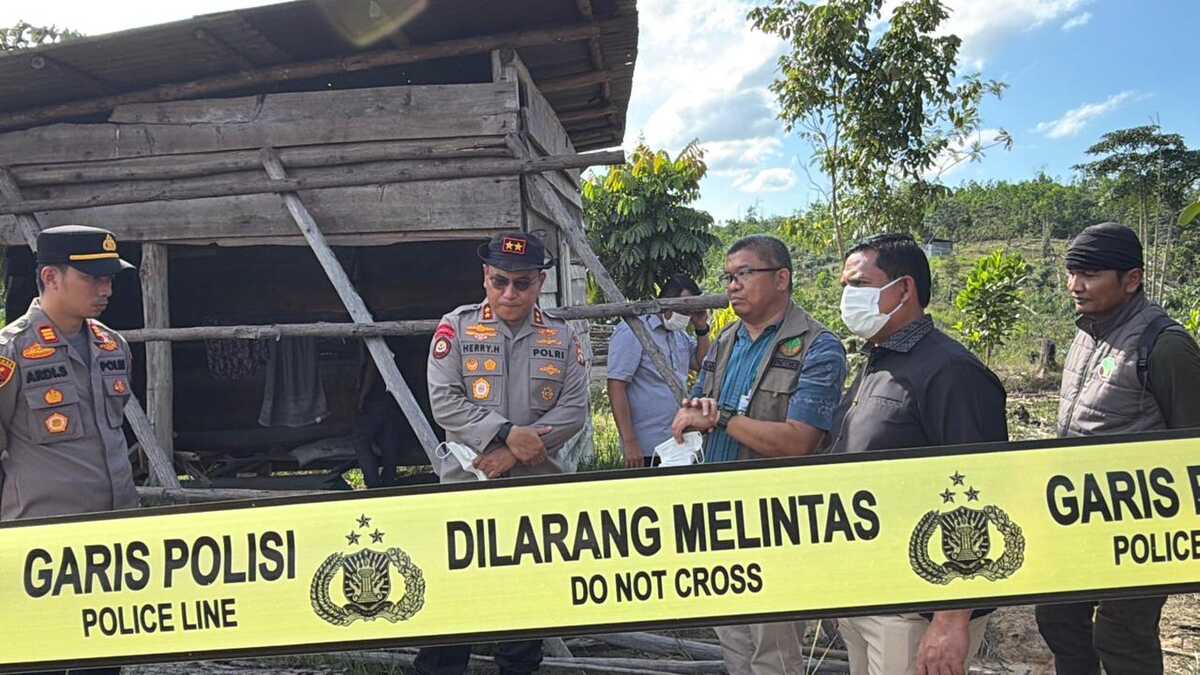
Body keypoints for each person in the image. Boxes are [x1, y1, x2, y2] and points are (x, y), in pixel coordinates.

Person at [825, 233, 1007, 675]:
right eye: (845, 287)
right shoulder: (878, 361)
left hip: (915, 609)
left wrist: (949, 620)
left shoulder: (951, 372)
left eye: (860, 285)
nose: (849, 297)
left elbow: (980, 495)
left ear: (904, 289)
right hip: (869, 590)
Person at [671, 234, 848, 675]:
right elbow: (694, 408)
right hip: (716, 516)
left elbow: (799, 442)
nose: (732, 286)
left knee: (774, 650)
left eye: (745, 274)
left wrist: (722, 418)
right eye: (729, 277)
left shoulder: (817, 347)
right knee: (733, 642)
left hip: (776, 523)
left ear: (782, 278)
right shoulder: (725, 342)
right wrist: (692, 415)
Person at [419, 231, 589, 675]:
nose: (509, 293)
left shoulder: (562, 336)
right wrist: (507, 433)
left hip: (533, 494)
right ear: (485, 278)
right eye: (500, 282)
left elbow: (574, 410)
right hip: (466, 492)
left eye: (522, 283)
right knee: (454, 604)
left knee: (523, 609)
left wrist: (512, 455)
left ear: (540, 282)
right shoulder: (455, 328)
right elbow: (445, 402)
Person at [1034, 222, 1200, 675]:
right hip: (1080, 521)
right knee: (1058, 616)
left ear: (1132, 280)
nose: (1075, 285)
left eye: (1089, 274)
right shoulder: (1086, 335)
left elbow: (1194, 446)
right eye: (1071, 272)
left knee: (1122, 634)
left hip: (1141, 527)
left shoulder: (1164, 347)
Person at [0, 225, 138, 675]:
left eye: (110, 278)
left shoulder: (111, 345)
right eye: (92, 278)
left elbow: (113, 435)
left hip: (111, 548)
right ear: (50, 277)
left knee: (102, 668)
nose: (106, 289)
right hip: (40, 554)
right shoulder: (12, 352)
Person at [607, 273, 710, 468]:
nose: (687, 317)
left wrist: (701, 328)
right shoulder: (633, 331)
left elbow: (701, 364)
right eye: (685, 310)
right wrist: (629, 441)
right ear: (666, 303)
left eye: (691, 312)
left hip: (678, 441)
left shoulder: (678, 334)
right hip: (646, 447)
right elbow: (616, 385)